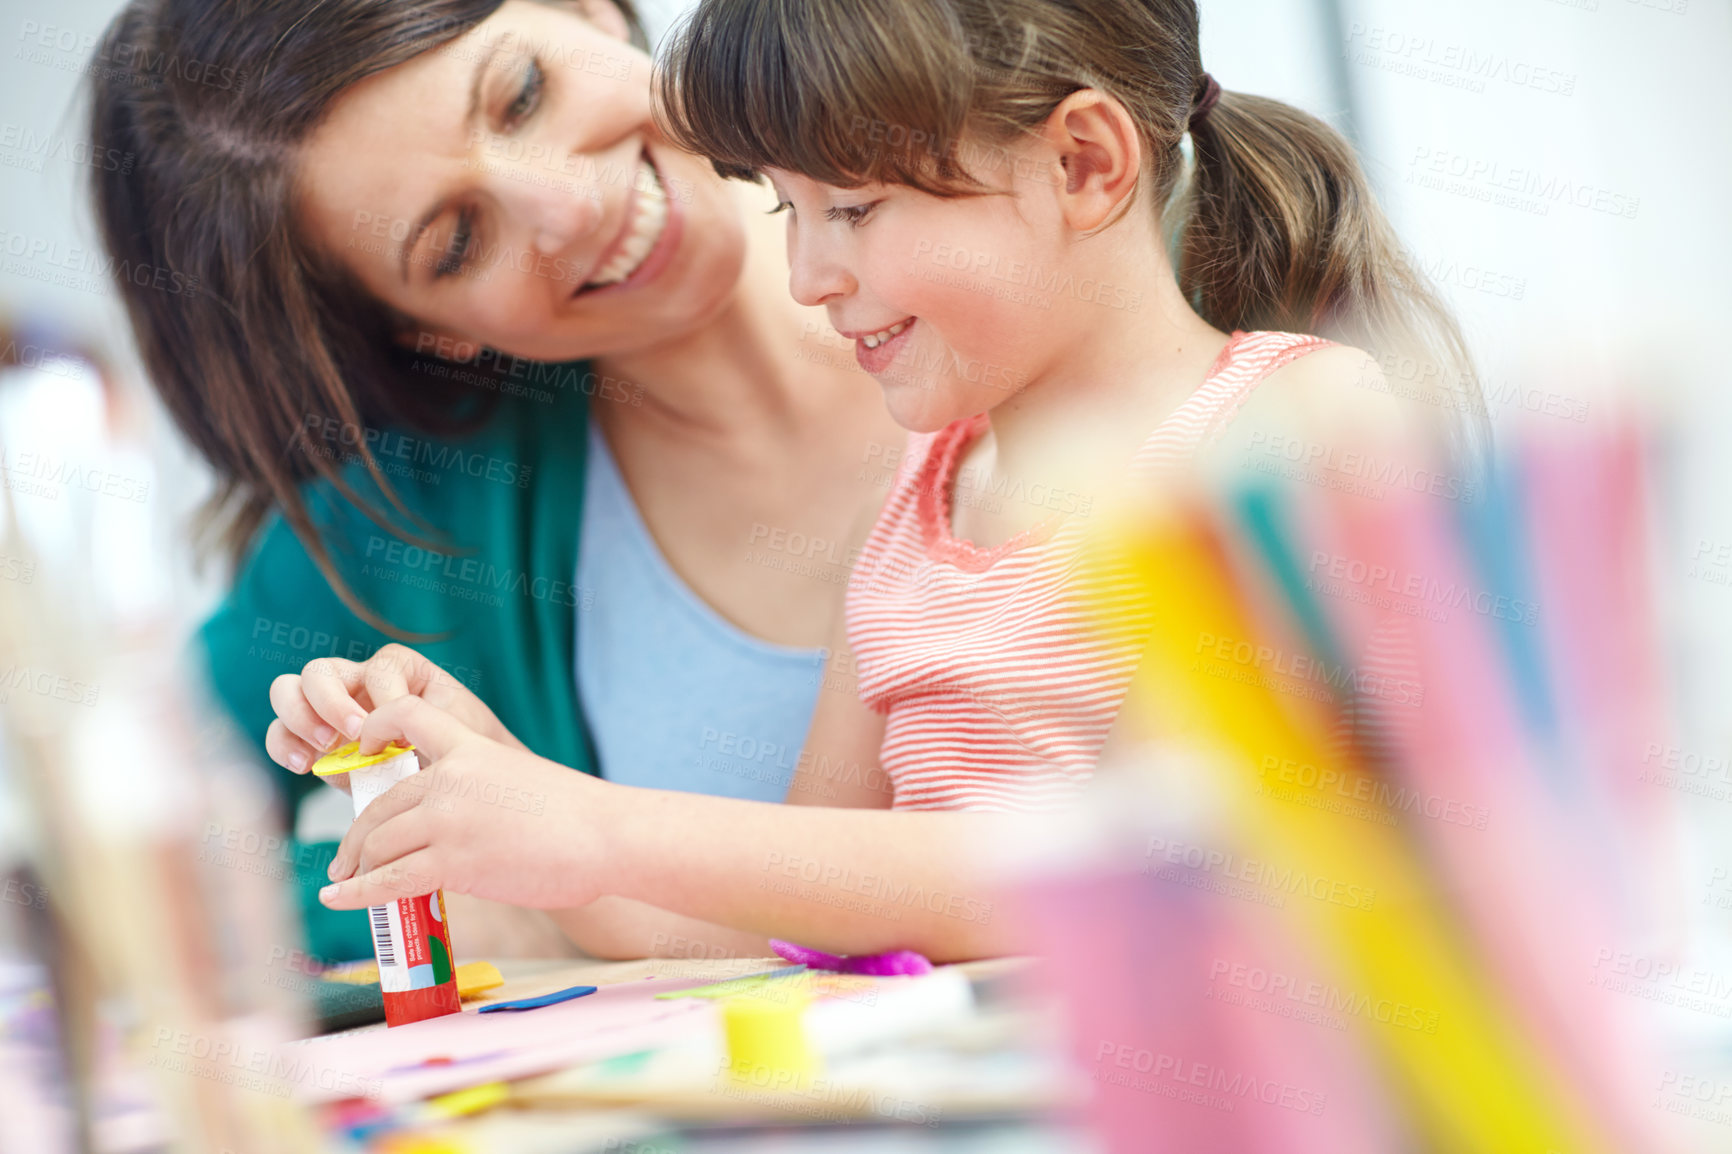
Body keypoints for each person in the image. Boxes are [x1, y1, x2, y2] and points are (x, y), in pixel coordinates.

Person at [286, 0, 1481, 961]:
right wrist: (506, 790)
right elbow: (798, 899)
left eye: (850, 207)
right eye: (784, 207)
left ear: (1082, 162)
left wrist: (603, 824)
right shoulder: (921, 499)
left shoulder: (1290, 428)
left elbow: (1149, 871)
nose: (805, 273)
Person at [86, 0, 903, 960]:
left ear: (587, 11)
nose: (571, 206)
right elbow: (112, 859)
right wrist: (482, 895)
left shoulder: (1019, 215)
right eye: (457, 244)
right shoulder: (409, 515)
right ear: (425, 333)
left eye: (521, 95)